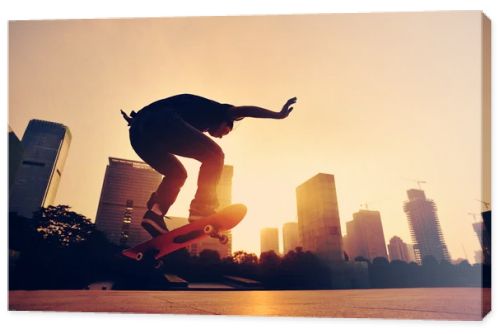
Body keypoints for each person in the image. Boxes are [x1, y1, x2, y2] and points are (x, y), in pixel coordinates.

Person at [122, 93, 297, 237]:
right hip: (162, 121)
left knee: (177, 174)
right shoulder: (221, 112)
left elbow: (154, 111)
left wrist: (140, 121)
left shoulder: (193, 114)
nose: (221, 136)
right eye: (226, 132)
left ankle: (155, 214)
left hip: (138, 133)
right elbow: (246, 110)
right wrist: (278, 115)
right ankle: (201, 207)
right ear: (227, 123)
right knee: (215, 155)